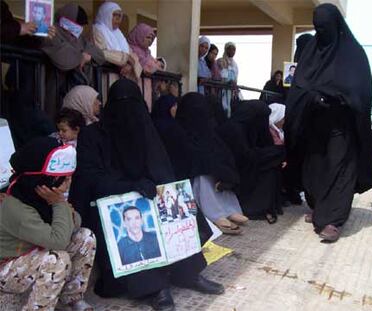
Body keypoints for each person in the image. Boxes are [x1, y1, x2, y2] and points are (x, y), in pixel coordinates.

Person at [69, 79, 224, 311]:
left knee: (179, 211)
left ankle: (187, 273)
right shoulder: (93, 136)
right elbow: (91, 179)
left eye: (131, 103)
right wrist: (129, 186)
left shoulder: (145, 127)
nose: (127, 111)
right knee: (134, 225)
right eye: (121, 103)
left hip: (148, 194)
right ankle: (155, 287)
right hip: (111, 201)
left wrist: (165, 190)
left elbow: (161, 168)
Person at [284, 3, 372, 242]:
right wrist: (313, 97)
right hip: (314, 123)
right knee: (315, 168)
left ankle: (333, 220)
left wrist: (339, 97)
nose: (321, 33)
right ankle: (318, 207)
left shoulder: (353, 54)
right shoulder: (311, 52)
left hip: (341, 126)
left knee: (339, 169)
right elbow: (299, 87)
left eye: (325, 28)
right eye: (317, 29)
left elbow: (361, 90)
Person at [0, 137, 96, 311]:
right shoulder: (16, 207)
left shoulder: (43, 198)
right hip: (7, 267)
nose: (68, 184)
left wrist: (61, 207)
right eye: (62, 179)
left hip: (34, 252)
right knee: (57, 260)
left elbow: (75, 222)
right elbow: (58, 240)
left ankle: (71, 298)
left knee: (86, 236)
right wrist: (60, 204)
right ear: (43, 181)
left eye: (68, 178)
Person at [175, 93, 248, 234]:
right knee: (203, 176)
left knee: (214, 173)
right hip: (191, 178)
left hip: (209, 174)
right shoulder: (179, 131)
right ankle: (216, 214)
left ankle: (229, 209)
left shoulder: (208, 131)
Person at [217, 100, 285, 224]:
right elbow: (243, 157)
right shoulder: (234, 130)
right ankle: (256, 208)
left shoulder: (250, 126)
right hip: (234, 173)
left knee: (273, 162)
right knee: (270, 163)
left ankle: (267, 206)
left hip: (245, 166)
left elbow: (260, 147)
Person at [41, 3, 105, 117]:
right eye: (77, 23)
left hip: (74, 90)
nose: (79, 27)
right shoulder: (51, 31)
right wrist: (81, 56)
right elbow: (62, 56)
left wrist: (87, 56)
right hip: (53, 86)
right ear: (65, 19)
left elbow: (100, 55)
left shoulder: (79, 38)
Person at [93, 1, 142, 95]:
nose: (118, 19)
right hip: (106, 75)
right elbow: (101, 52)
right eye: (115, 15)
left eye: (120, 16)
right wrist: (126, 58)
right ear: (106, 14)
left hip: (122, 78)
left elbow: (131, 54)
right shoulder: (97, 30)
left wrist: (130, 64)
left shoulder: (119, 34)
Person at [128, 23, 166, 112]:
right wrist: (155, 65)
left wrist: (155, 65)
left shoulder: (147, 52)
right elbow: (149, 67)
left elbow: (159, 66)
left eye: (152, 38)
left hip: (147, 86)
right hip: (136, 83)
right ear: (139, 35)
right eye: (147, 37)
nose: (150, 41)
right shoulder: (131, 49)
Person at [217, 42, 240, 117]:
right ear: (226, 50)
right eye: (230, 49)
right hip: (222, 89)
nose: (232, 51)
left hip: (232, 90)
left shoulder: (235, 64)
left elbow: (236, 77)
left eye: (234, 49)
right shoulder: (220, 61)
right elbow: (219, 74)